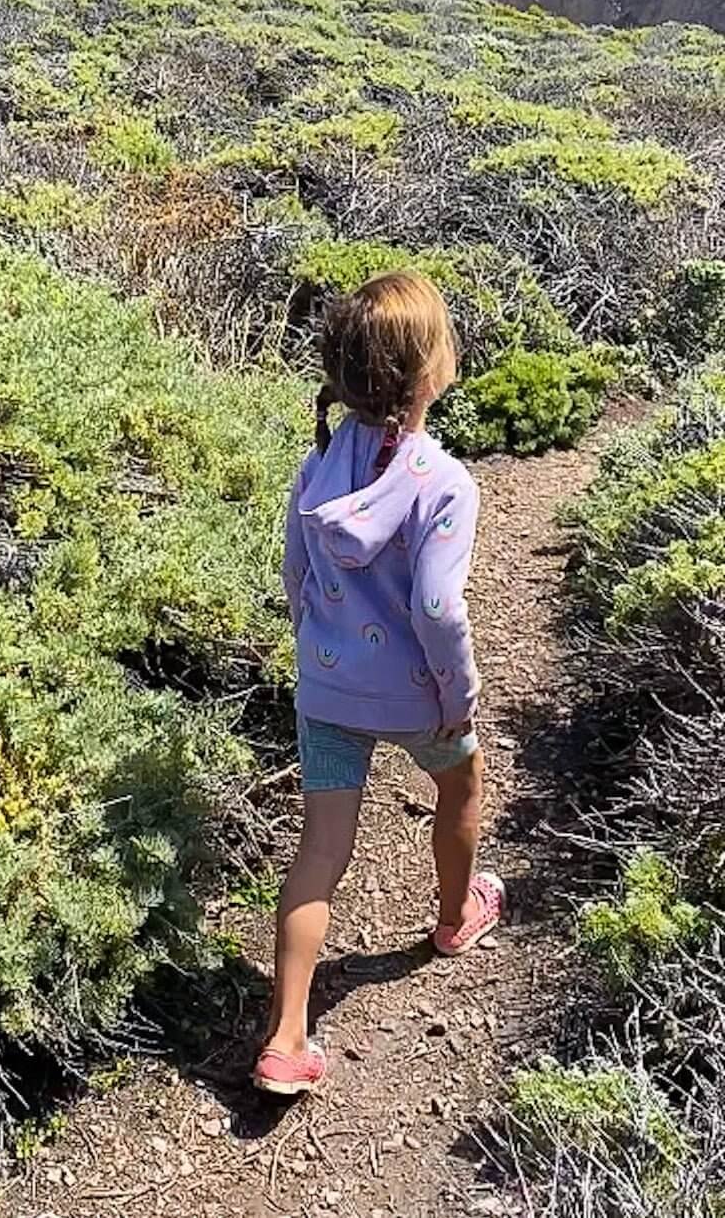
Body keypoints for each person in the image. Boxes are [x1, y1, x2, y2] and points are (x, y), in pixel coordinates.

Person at [254, 272, 504, 1096]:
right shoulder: (444, 483)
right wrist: (456, 691)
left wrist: (317, 649)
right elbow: (438, 606)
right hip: (417, 693)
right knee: (461, 782)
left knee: (319, 850)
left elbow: (294, 575)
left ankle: (287, 1037)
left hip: (328, 687)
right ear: (431, 373)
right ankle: (453, 914)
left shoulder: (316, 467)